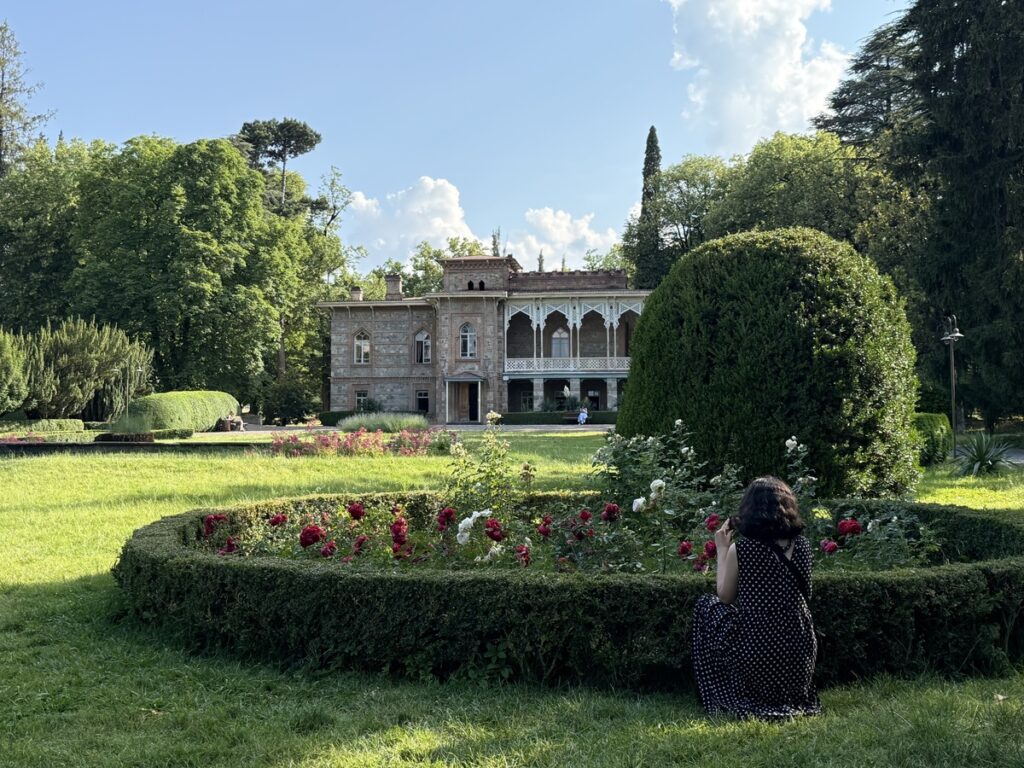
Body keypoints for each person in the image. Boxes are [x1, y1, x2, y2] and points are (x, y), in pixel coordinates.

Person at [691, 476, 820, 720]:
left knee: (706, 606)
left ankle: (717, 688)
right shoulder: (802, 545)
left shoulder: (743, 549)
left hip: (757, 652)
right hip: (799, 653)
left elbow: (725, 597)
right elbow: (807, 594)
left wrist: (721, 550)